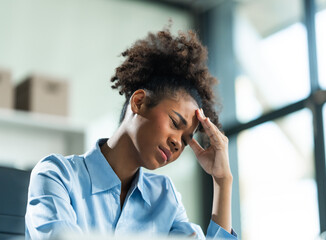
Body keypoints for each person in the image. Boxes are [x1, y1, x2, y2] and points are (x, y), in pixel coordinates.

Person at [25, 28, 237, 239]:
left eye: (185, 140)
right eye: (174, 122)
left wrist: (222, 181)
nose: (177, 145)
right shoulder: (56, 175)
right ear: (139, 102)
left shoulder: (165, 196)